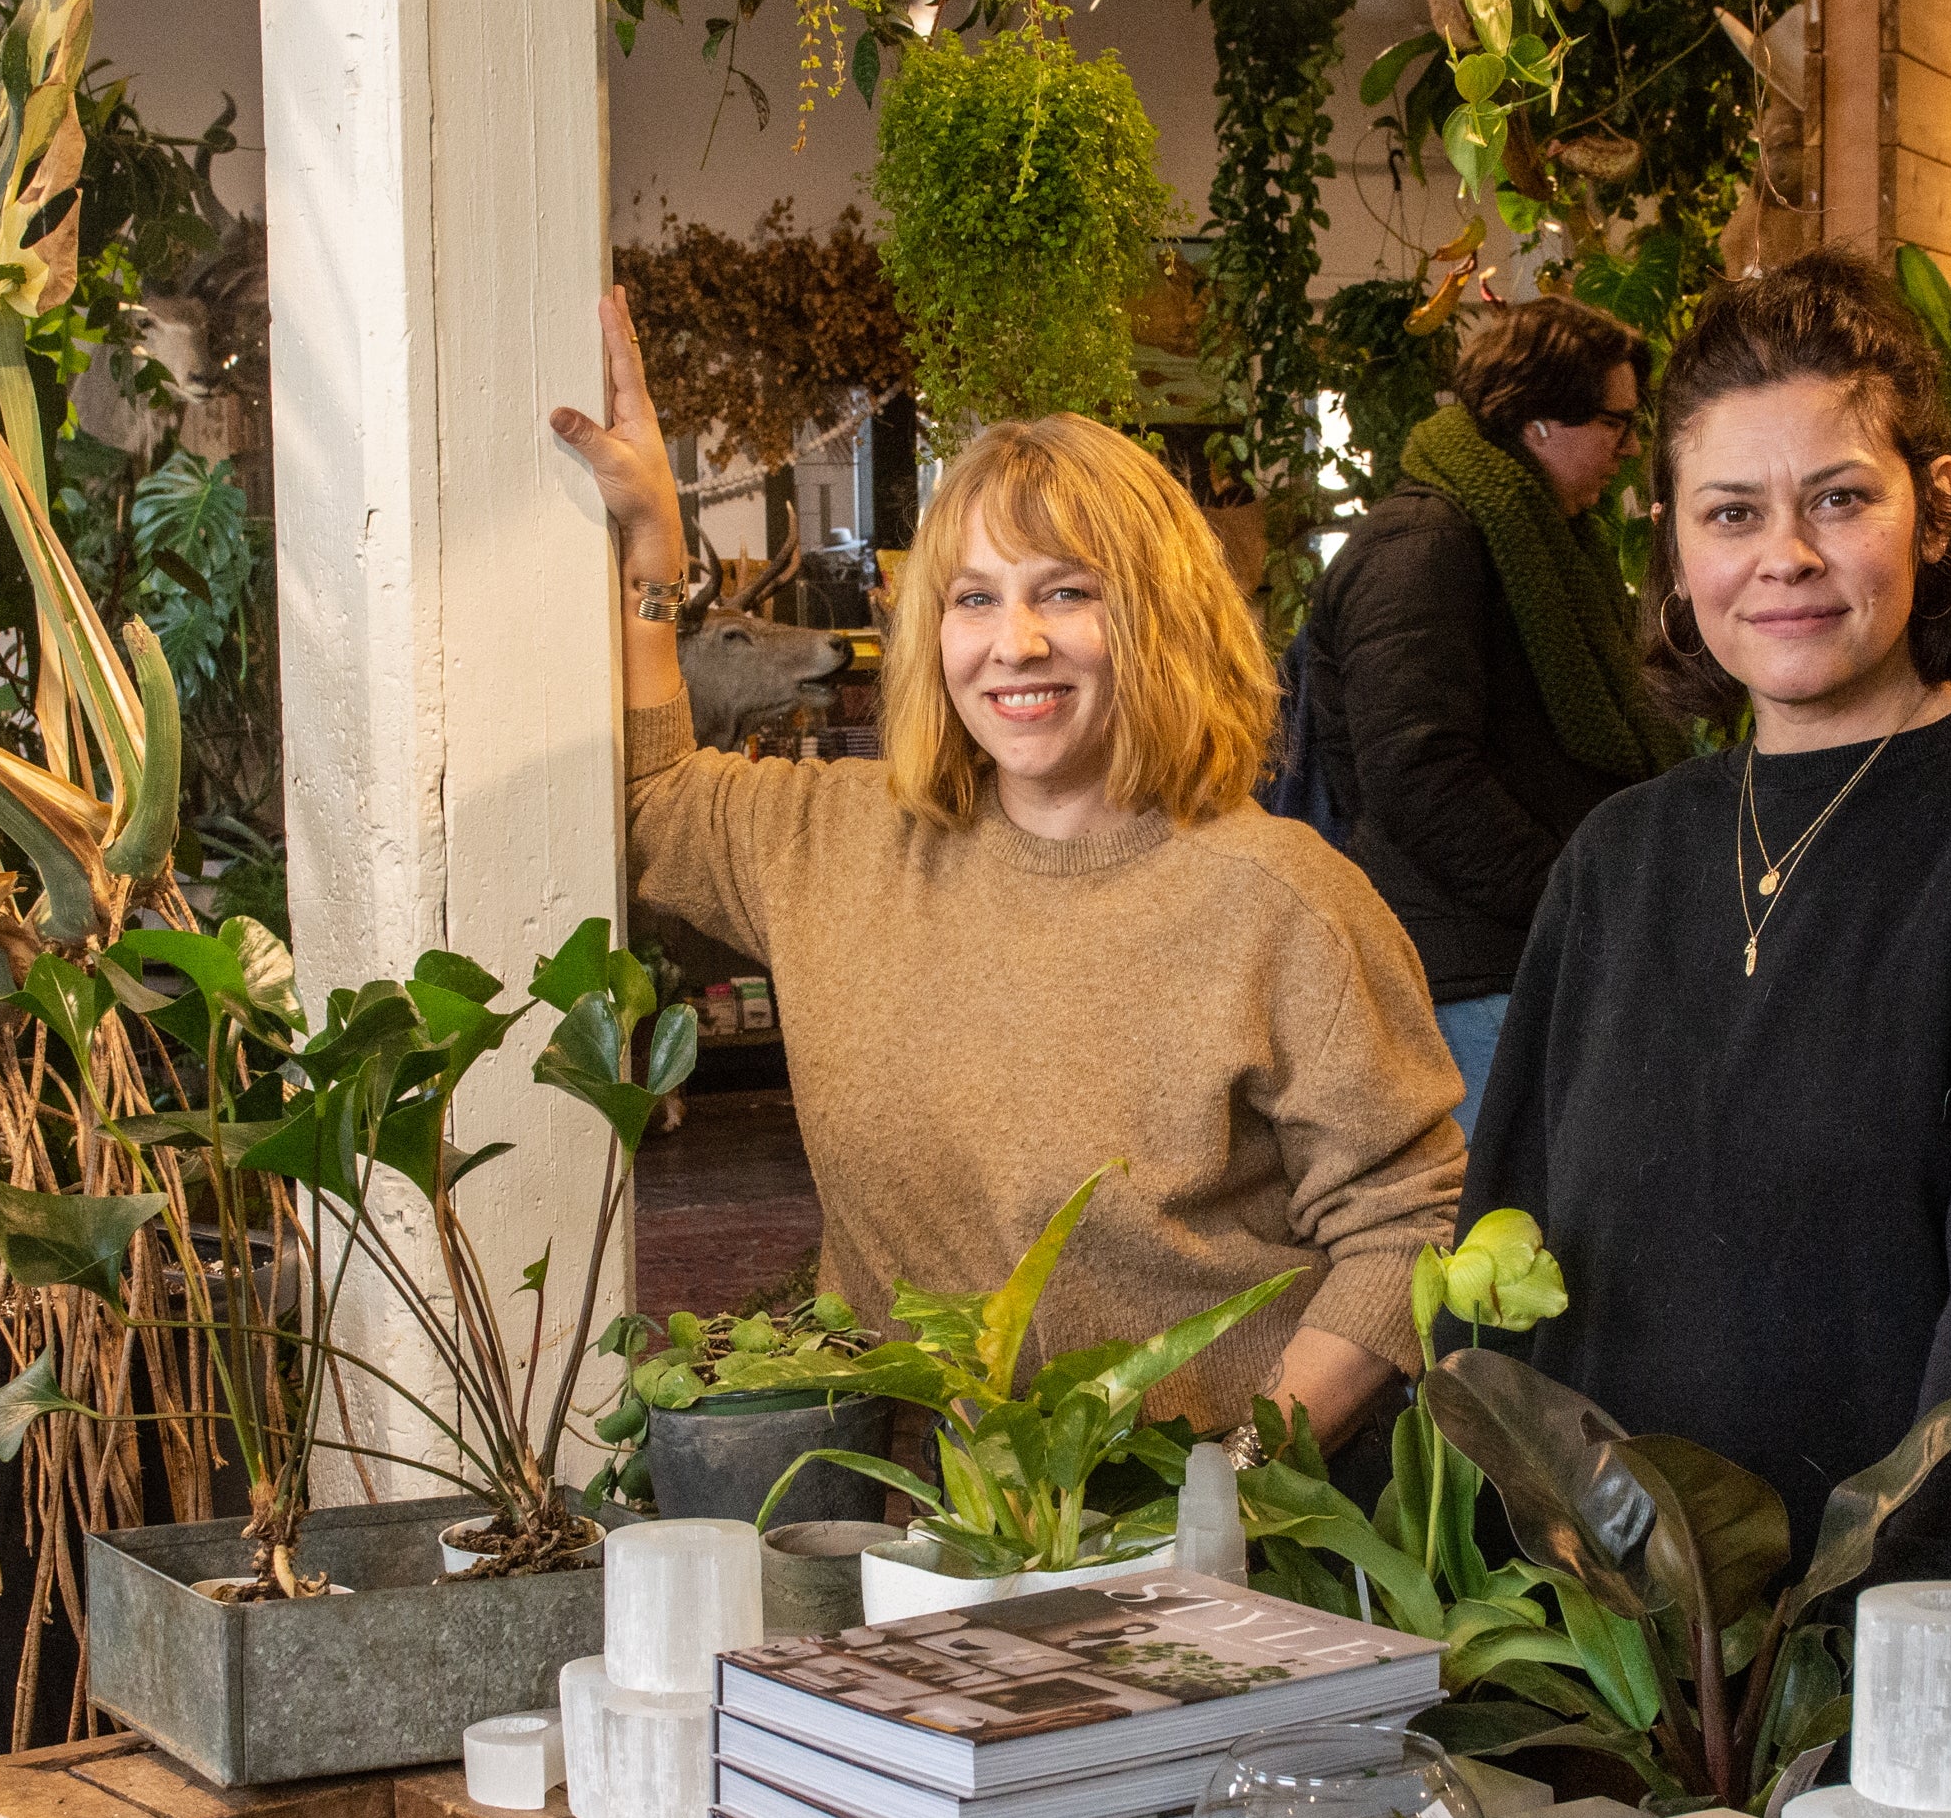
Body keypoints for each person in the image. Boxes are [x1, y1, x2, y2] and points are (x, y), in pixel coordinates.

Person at [1460, 253, 1951, 1780]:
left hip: (1934, 1726)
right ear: (1671, 547)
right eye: (1730, 512)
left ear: (1933, 506)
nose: (1783, 556)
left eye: (1839, 499)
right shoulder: (1619, 861)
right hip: (1621, 1716)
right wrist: (1519, 1649)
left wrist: (1867, 1704)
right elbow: (1509, 1294)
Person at [550, 291, 1463, 1448]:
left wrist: (1236, 1481)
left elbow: (1405, 1224)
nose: (1013, 643)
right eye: (974, 599)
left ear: (1161, 620)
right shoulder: (834, 842)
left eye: (1066, 592)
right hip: (903, 1536)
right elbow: (645, 801)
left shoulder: (1280, 901)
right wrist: (652, 555)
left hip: (1188, 1571)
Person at [1298, 298, 1691, 1134]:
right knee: (1504, 1236)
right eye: (1615, 423)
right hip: (1470, 975)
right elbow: (1416, 772)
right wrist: (1566, 891)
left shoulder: (1541, 539)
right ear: (1537, 419)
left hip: (1524, 960)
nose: (1628, 448)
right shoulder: (1425, 541)